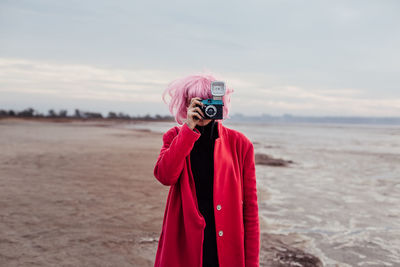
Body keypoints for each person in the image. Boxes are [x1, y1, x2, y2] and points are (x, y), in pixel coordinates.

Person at [153, 74, 260, 267]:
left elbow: (250, 210)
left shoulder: (240, 144)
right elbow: (165, 176)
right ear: (185, 105)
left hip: (226, 245)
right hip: (184, 243)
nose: (203, 108)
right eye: (196, 102)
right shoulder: (174, 137)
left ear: (219, 104)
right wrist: (188, 130)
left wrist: (251, 263)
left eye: (208, 102)